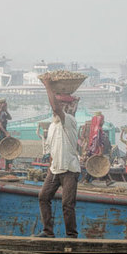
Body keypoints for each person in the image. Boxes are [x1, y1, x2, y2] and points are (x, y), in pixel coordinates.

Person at [36, 82, 80, 239]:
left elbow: (56, 108)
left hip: (69, 169)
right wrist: (50, 167)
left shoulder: (69, 121)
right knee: (43, 197)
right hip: (55, 169)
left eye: (63, 104)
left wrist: (48, 86)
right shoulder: (53, 125)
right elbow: (53, 149)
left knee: (67, 204)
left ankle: (71, 235)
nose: (58, 108)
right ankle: (48, 231)